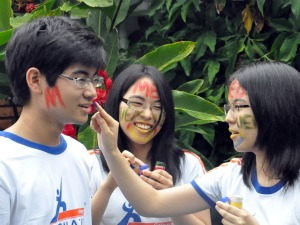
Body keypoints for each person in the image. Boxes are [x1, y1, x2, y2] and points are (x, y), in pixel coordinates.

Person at [91, 61, 300, 224]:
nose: (228, 118)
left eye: (239, 107)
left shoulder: (190, 163)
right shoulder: (229, 175)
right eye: (230, 108)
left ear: (274, 110)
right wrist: (111, 151)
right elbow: (151, 203)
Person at [0, 16, 107, 224]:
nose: (92, 92)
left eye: (95, 79)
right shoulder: (5, 165)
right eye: (80, 79)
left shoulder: (78, 155)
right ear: (35, 80)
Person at [91, 64, 211, 225]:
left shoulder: (188, 164)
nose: (148, 114)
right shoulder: (90, 163)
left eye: (157, 107)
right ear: (116, 103)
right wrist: (108, 187)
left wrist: (170, 197)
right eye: (137, 103)